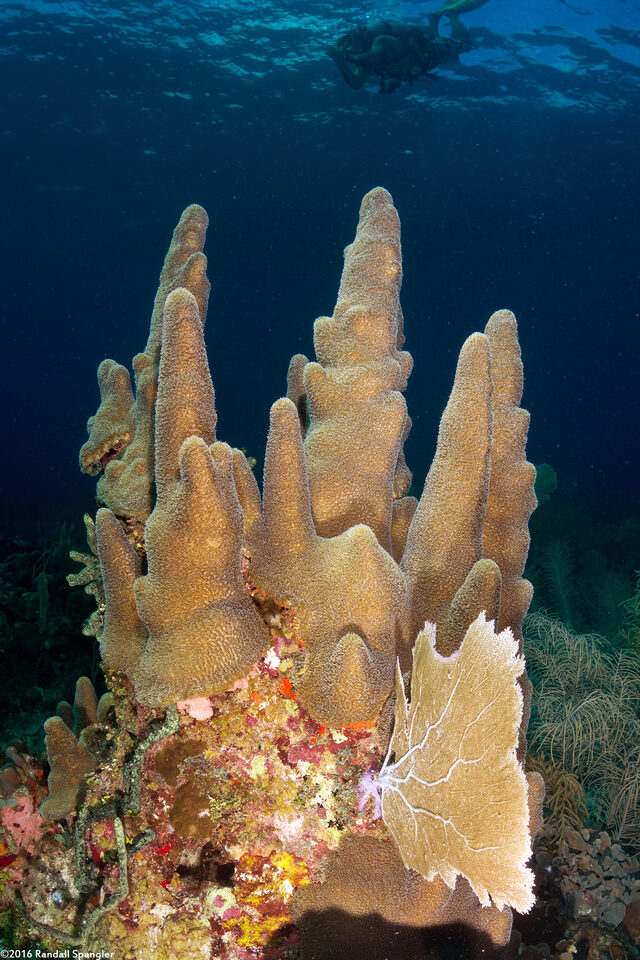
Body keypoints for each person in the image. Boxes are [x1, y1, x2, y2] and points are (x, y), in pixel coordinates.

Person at [326, 0, 490, 93]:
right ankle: (435, 21)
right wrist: (341, 63)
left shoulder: (382, 41)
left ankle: (452, 15)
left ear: (361, 40)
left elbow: (372, 58)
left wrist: (344, 57)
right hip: (418, 62)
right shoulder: (363, 58)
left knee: (465, 45)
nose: (349, 48)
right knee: (460, 46)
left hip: (427, 52)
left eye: (351, 44)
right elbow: (356, 84)